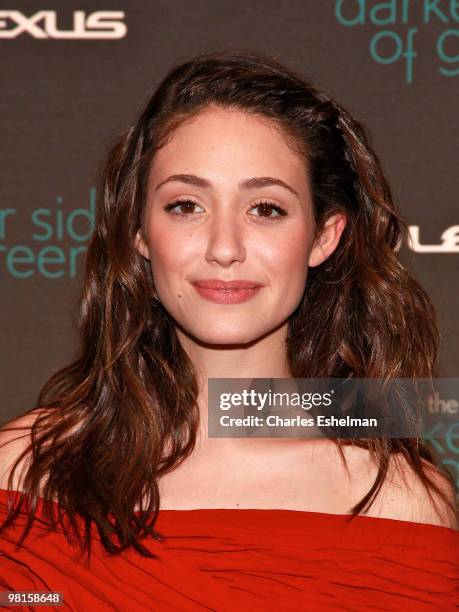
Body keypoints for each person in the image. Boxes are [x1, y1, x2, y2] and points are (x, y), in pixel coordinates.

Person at [0, 49, 457, 611]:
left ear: (324, 236)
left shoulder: (398, 504)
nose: (223, 248)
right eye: (185, 205)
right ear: (139, 230)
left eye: (265, 208)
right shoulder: (20, 473)